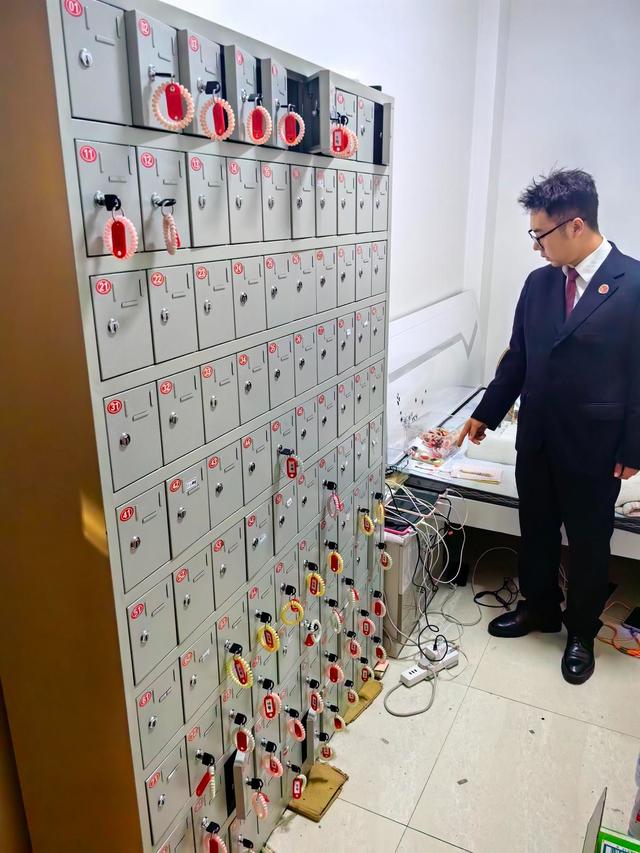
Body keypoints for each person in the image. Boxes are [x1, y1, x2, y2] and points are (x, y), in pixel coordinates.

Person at [458, 169, 640, 684]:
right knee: (535, 531)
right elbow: (519, 357)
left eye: (541, 234)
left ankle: (580, 631)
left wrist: (634, 447)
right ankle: (539, 608)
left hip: (595, 445)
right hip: (536, 437)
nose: (536, 246)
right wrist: (486, 412)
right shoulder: (539, 284)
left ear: (575, 225)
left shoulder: (632, 284)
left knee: (588, 543)